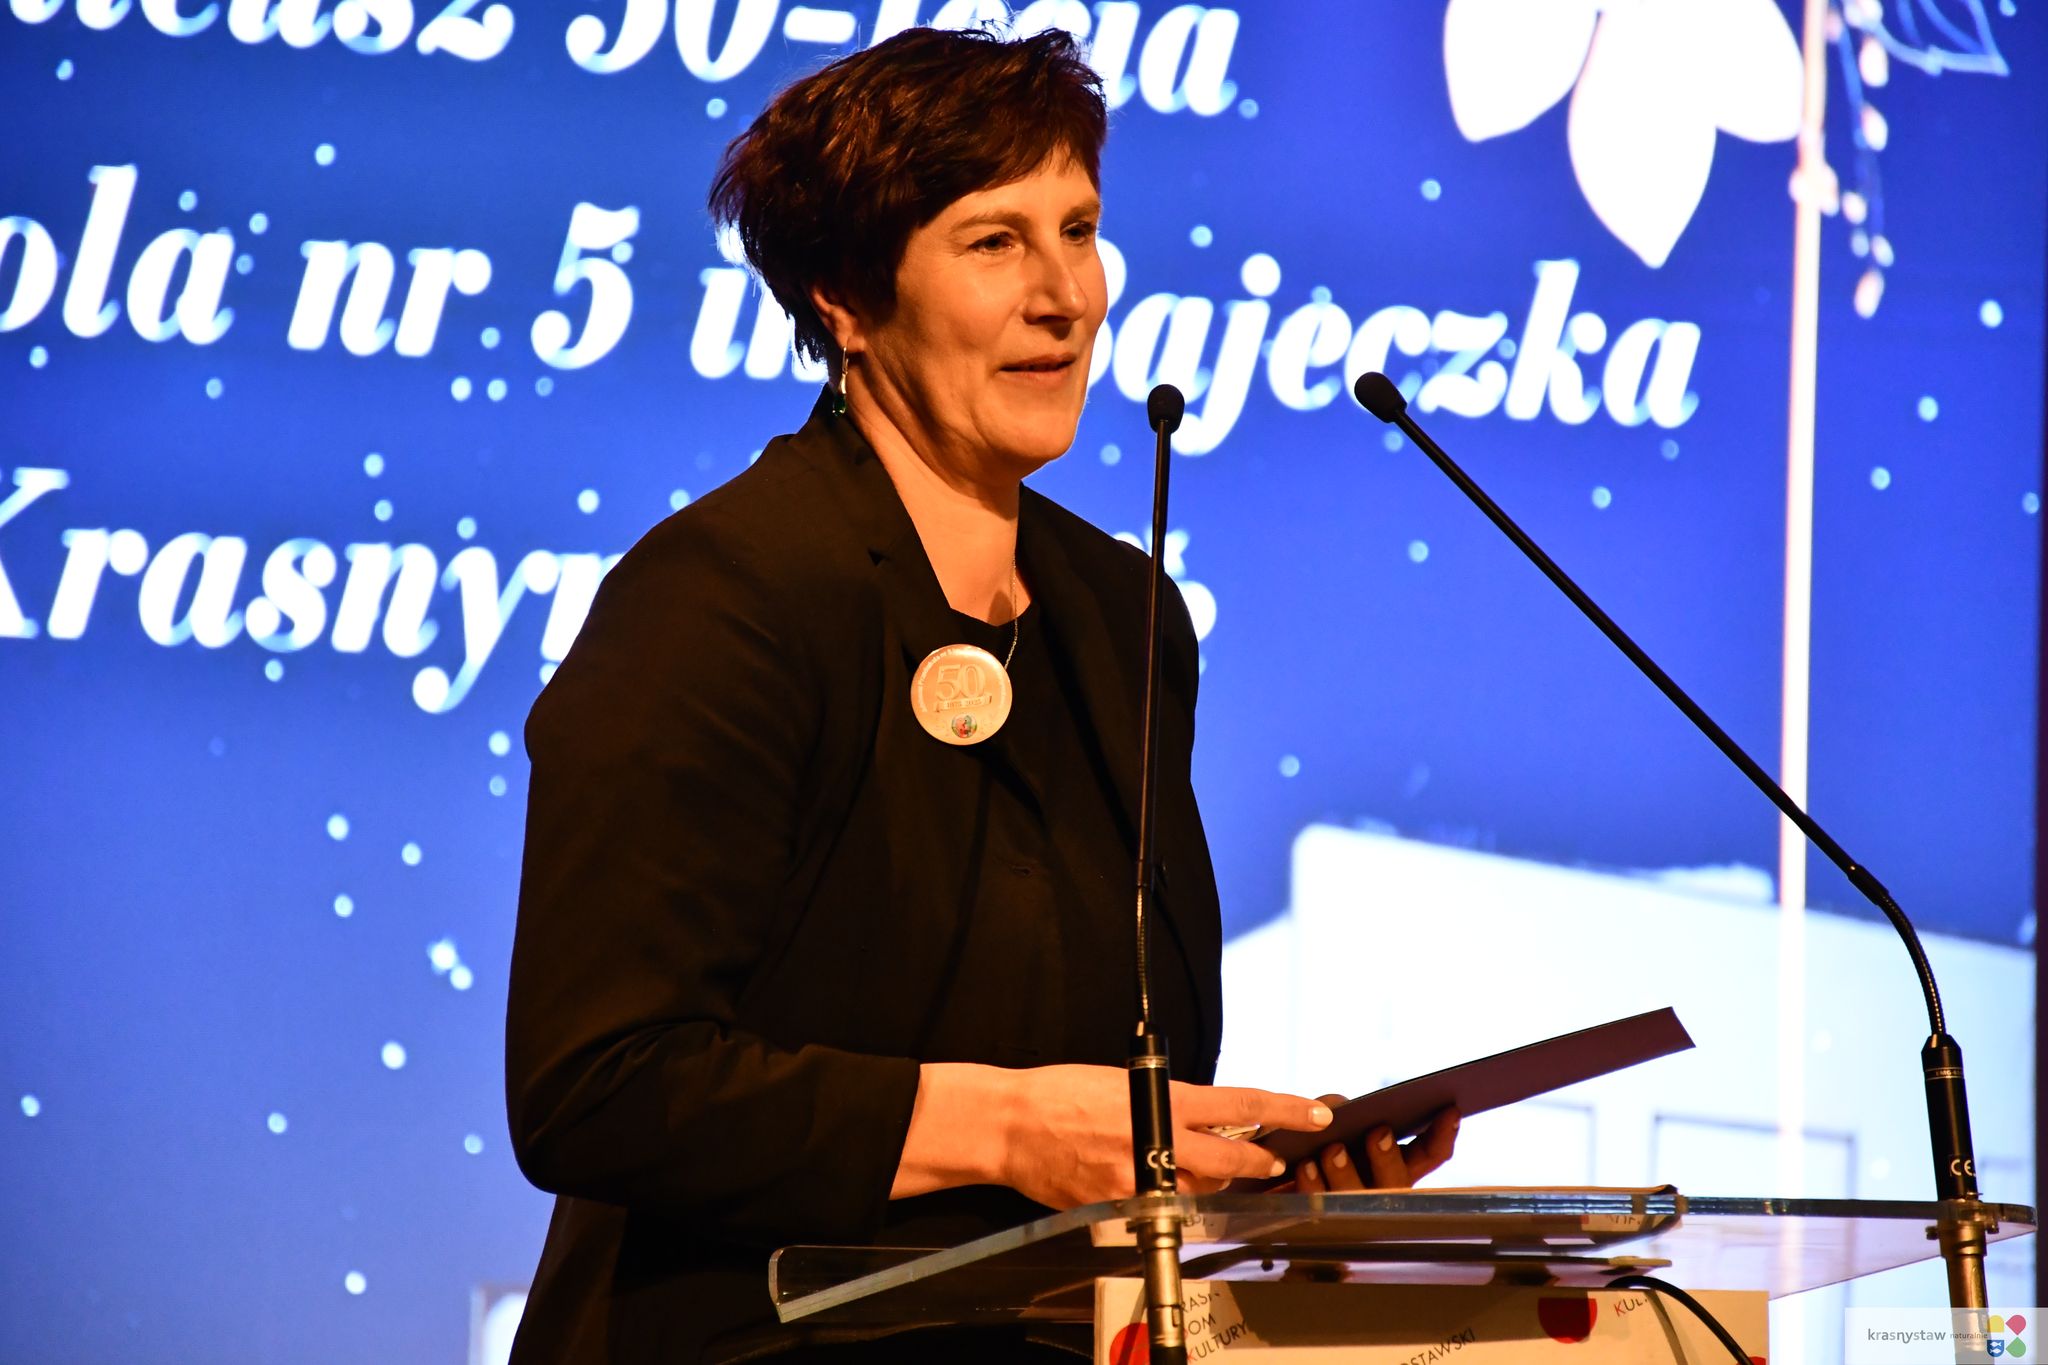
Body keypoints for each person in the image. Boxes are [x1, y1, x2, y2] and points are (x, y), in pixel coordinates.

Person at [503, 25, 1457, 1365]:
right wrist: (1003, 1130)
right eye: (995, 241)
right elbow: (597, 1086)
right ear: (847, 295)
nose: (1065, 295)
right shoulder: (722, 596)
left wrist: (1258, 1181)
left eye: (1080, 230)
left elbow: (1119, 1101)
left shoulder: (1123, 617)